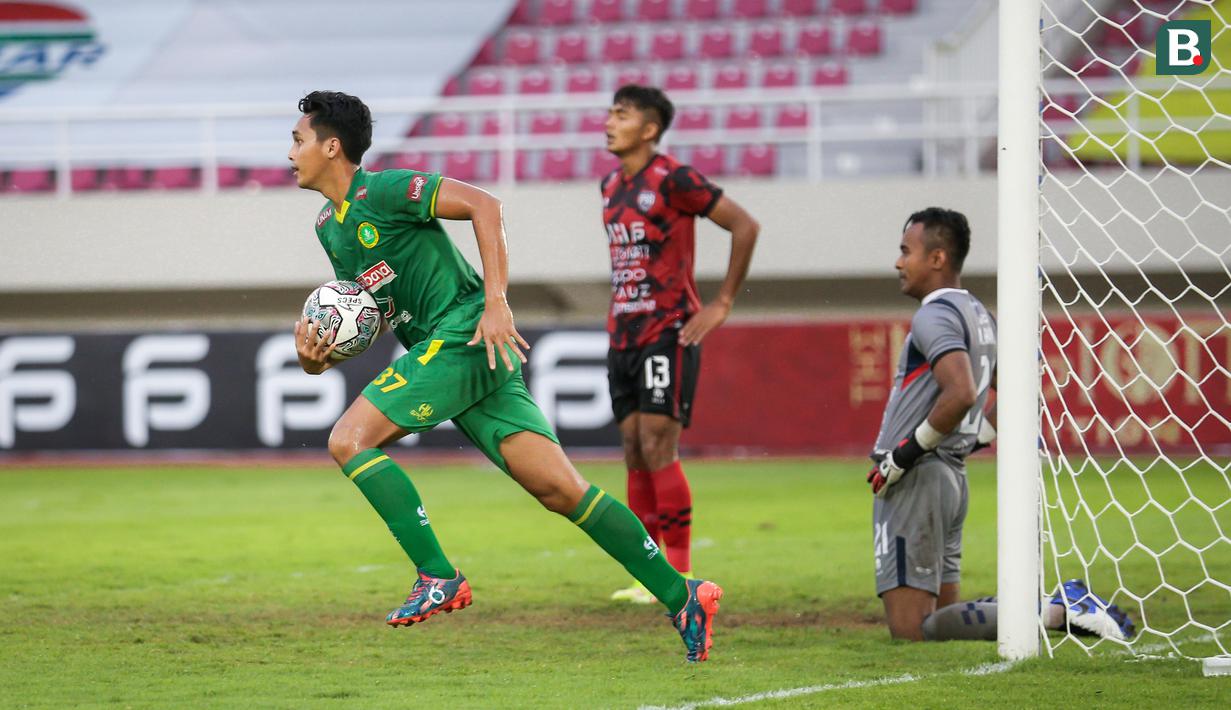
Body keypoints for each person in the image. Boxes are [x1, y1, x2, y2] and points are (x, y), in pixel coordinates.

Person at [288, 90, 722, 661]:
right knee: (561, 490)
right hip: (450, 352)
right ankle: (682, 594)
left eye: (298, 140)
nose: (291, 152)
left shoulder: (387, 189)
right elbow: (369, 314)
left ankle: (437, 575)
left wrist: (496, 302)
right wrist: (316, 358)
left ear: (331, 145)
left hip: (466, 331)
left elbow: (485, 206)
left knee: (348, 440)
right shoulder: (330, 226)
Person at [867, 207, 1134, 642]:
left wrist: (903, 455)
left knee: (912, 630)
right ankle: (1055, 606)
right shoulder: (979, 314)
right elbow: (1020, 390)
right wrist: (970, 440)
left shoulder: (934, 315)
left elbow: (961, 392)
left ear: (937, 258)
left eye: (905, 251)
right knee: (946, 616)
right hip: (950, 476)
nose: (899, 262)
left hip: (917, 477)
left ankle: (1053, 609)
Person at [600, 85, 759, 604]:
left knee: (656, 443)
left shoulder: (676, 178)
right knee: (631, 450)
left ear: (649, 129)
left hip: (668, 330)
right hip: (622, 332)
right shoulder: (609, 185)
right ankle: (646, 576)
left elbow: (744, 224)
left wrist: (723, 303)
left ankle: (679, 573)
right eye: (611, 112)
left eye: (621, 114)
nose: (609, 121)